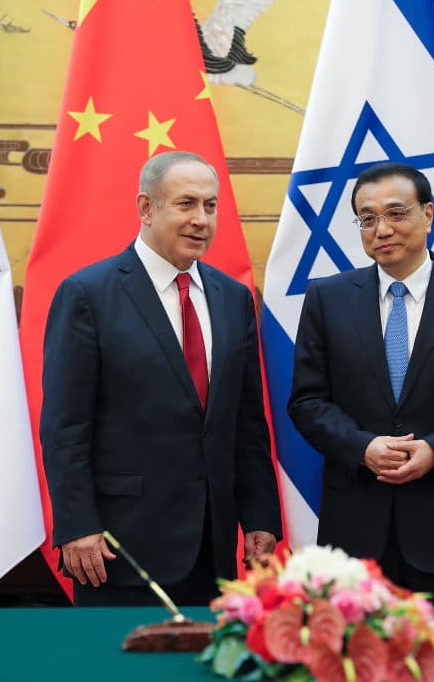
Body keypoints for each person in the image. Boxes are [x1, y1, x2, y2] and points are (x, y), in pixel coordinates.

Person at [41, 150, 282, 606]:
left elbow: (246, 423)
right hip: (116, 548)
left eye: (210, 206)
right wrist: (77, 525)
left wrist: (260, 518)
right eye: (186, 203)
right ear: (146, 208)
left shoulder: (233, 298)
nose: (201, 219)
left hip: (212, 548)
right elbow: (65, 426)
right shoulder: (88, 294)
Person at [287, 162, 434, 605]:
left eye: (396, 213)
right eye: (367, 218)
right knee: (352, 648)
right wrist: (362, 447)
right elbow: (307, 401)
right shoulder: (327, 299)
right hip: (353, 527)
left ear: (428, 214)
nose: (382, 229)